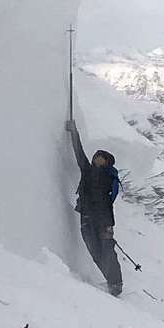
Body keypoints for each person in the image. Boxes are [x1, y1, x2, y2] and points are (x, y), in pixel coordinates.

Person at [65, 119, 122, 296]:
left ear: (107, 163)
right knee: (95, 251)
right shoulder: (87, 170)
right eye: (97, 156)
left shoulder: (108, 177)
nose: (98, 159)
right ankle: (112, 281)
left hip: (103, 220)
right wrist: (74, 132)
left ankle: (116, 283)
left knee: (107, 250)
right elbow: (79, 153)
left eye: (102, 158)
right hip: (87, 217)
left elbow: (107, 200)